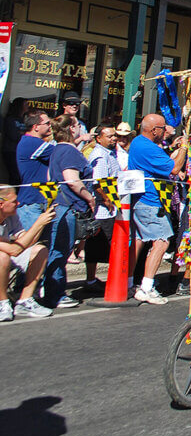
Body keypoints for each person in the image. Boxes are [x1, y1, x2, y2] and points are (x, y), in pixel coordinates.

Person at [46, 115, 106, 309]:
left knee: (58, 249)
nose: (81, 129)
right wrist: (89, 198)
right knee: (60, 250)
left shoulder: (57, 149)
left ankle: (52, 290)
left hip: (60, 204)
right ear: (72, 129)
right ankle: (55, 294)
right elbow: (71, 179)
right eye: (77, 126)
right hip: (68, 207)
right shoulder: (69, 151)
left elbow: (49, 177)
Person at [127, 114, 186, 305]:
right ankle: (146, 287)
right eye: (163, 127)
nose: (165, 130)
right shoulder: (148, 148)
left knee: (138, 242)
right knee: (161, 242)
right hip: (150, 201)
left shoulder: (137, 143)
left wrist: (174, 150)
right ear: (154, 130)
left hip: (140, 201)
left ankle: (129, 282)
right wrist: (184, 147)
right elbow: (174, 168)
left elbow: (162, 161)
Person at [0, 185, 56, 320]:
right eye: (14, 201)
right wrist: (38, 223)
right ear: (1, 204)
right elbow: (15, 250)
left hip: (8, 256)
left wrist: (42, 224)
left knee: (40, 250)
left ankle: (25, 301)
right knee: (2, 257)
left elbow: (26, 241)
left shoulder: (11, 216)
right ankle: (2, 303)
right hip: (5, 257)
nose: (18, 204)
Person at [83, 123, 120, 293]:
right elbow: (98, 182)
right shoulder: (99, 155)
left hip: (110, 206)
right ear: (99, 138)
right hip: (103, 209)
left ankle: (98, 279)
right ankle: (91, 281)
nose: (114, 138)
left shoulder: (110, 153)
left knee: (103, 245)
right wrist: (107, 200)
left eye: (114, 136)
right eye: (110, 136)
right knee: (99, 244)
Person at [15, 111, 54, 230]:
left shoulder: (34, 142)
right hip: (31, 203)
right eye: (47, 123)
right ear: (36, 127)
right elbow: (63, 155)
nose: (50, 126)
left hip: (40, 201)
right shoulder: (31, 143)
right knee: (30, 246)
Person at [2, 98, 26, 183]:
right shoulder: (11, 119)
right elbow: (14, 135)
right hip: (11, 151)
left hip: (21, 151)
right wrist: (23, 134)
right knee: (15, 175)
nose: (27, 107)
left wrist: (22, 133)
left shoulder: (24, 119)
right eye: (25, 104)